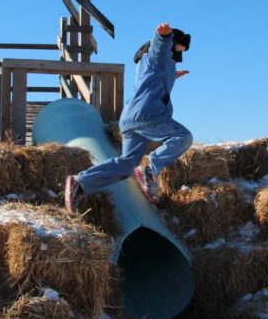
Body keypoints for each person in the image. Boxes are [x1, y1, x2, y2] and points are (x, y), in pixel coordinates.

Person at [65, 23, 193, 213]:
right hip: (149, 115)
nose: (179, 56)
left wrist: (173, 76)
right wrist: (163, 37)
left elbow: (154, 78)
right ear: (173, 44)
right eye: (179, 50)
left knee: (127, 165)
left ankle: (81, 183)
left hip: (130, 118)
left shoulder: (148, 64)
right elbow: (160, 48)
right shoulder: (158, 55)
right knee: (183, 137)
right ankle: (151, 170)